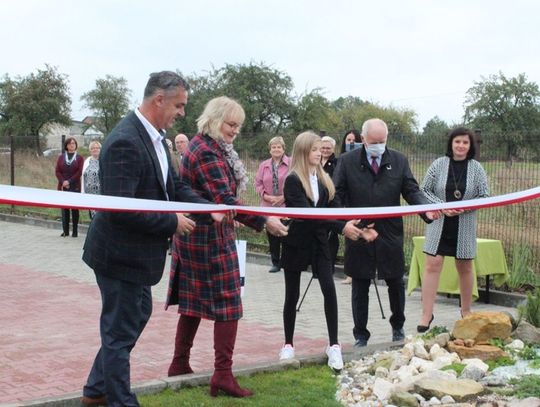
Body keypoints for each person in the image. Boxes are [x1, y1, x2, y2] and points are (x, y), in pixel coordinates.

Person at [81, 71, 222, 407]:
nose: (182, 113)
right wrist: (171, 222)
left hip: (136, 257)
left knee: (135, 316)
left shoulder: (156, 139)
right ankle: (117, 400)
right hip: (117, 255)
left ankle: (96, 389)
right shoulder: (125, 141)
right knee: (119, 332)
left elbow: (173, 188)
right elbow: (121, 209)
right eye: (179, 105)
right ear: (159, 99)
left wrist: (210, 209)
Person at [165, 96, 288, 398]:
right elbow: (225, 199)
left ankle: (179, 364)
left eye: (238, 126)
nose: (235, 130)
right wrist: (264, 221)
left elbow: (221, 199)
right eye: (231, 124)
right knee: (229, 303)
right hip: (207, 238)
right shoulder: (207, 152)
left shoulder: (207, 146)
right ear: (216, 119)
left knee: (192, 304)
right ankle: (222, 374)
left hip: (198, 236)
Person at [333, 118, 439, 347]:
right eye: (373, 142)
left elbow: (411, 189)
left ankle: (398, 327)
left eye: (382, 141)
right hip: (359, 230)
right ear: (363, 140)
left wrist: (426, 210)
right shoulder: (347, 161)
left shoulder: (398, 160)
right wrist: (349, 223)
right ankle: (360, 334)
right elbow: (337, 195)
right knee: (360, 285)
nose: (378, 145)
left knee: (395, 282)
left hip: (389, 232)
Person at [279, 131, 377, 371]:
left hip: (321, 243)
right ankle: (288, 344)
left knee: (329, 290)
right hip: (296, 243)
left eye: (321, 148)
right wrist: (343, 227)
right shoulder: (293, 179)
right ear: (303, 151)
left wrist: (359, 225)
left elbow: (335, 209)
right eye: (314, 149)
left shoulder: (324, 179)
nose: (320, 152)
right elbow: (310, 216)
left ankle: (334, 345)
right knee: (291, 294)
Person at [417, 127, 489, 332]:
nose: (461, 146)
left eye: (465, 142)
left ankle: (466, 311)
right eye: (457, 141)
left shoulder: (476, 168)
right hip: (440, 222)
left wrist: (463, 207)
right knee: (433, 265)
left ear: (470, 146)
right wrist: (442, 206)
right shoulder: (439, 164)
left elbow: (485, 196)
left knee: (465, 267)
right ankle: (426, 314)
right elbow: (424, 190)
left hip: (464, 224)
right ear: (451, 143)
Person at [255, 136, 290, 273]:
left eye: (279, 147)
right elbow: (258, 183)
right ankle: (276, 262)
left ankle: (287, 262)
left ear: (283, 149)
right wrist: (266, 196)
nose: (276, 149)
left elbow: (296, 182)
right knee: (272, 235)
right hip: (268, 205)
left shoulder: (291, 163)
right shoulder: (263, 165)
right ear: (270, 150)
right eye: (273, 147)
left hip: (285, 204)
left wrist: (283, 197)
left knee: (286, 233)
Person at [55, 137, 84, 237]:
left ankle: (75, 231)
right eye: (70, 143)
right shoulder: (61, 157)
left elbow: (79, 172)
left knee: (75, 209)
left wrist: (69, 181)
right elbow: (57, 171)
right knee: (64, 209)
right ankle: (65, 231)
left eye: (74, 143)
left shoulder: (79, 158)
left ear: (76, 145)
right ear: (66, 146)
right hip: (63, 186)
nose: (72, 145)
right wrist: (63, 181)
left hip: (75, 186)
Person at [81, 140, 101, 219]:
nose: (95, 149)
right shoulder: (87, 161)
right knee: (92, 216)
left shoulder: (103, 160)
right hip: (90, 194)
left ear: (100, 149)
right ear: (90, 150)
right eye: (92, 148)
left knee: (100, 216)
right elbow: (83, 177)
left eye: (97, 148)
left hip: (100, 193)